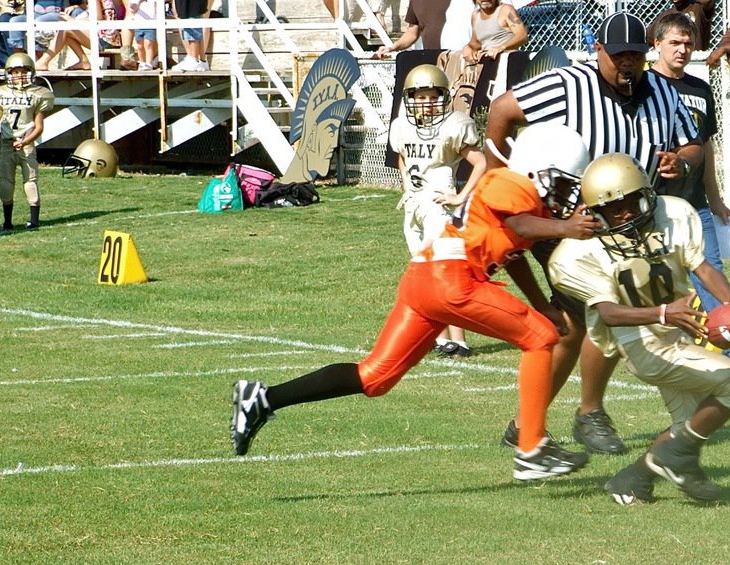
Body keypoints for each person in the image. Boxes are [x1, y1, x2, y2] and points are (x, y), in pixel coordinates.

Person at [229, 123, 602, 483]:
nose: (567, 191)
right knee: (539, 339)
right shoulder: (509, 181)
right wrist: (565, 229)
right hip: (450, 280)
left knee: (374, 377)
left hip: (425, 280)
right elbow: (520, 228)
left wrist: (542, 304)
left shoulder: (523, 199)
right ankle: (532, 447)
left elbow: (515, 253)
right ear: (539, 171)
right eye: (565, 180)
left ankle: (263, 399)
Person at [485, 11, 703, 455]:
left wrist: (681, 161)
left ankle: (530, 420)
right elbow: (502, 110)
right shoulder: (569, 85)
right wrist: (497, 180)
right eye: (619, 54)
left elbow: (692, 141)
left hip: (629, 222)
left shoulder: (660, 88)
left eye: (636, 55)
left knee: (574, 324)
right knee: (600, 308)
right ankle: (588, 412)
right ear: (598, 51)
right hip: (568, 223)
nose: (628, 64)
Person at [549, 153, 730, 504]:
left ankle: (633, 479)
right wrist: (663, 314)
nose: (626, 213)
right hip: (641, 342)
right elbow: (610, 313)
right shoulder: (576, 253)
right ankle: (678, 460)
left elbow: (703, 268)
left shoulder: (672, 214)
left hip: (675, 328)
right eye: (614, 208)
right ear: (594, 213)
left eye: (632, 202)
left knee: (688, 425)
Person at [648, 11, 730, 376]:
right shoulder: (644, 88)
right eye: (674, 42)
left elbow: (704, 146)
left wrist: (715, 197)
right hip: (654, 206)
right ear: (656, 44)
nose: (682, 50)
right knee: (656, 283)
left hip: (695, 205)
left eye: (688, 43)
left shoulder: (700, 89)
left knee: (710, 271)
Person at [389, 64, 488, 356]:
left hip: (438, 203)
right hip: (414, 205)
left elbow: (480, 163)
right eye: (418, 97)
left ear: (442, 97)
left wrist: (459, 197)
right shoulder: (403, 126)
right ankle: (442, 338)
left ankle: (459, 338)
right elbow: (403, 158)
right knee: (424, 273)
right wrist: (406, 185)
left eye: (431, 96)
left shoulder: (453, 125)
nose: (425, 103)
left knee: (442, 272)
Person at [0, 52, 53, 232]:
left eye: (23, 71)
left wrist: (25, 142)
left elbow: (39, 127)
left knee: (30, 181)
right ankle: (7, 221)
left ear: (31, 72)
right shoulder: (0, 93)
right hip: (8, 144)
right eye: (15, 72)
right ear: (9, 73)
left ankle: (34, 220)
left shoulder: (38, 94)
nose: (19, 76)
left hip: (27, 143)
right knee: (6, 183)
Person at [34, 0, 119, 71]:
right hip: (102, 34)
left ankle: (44, 62)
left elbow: (97, 19)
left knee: (66, 27)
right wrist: (77, 6)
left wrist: (73, 21)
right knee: (66, 32)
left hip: (107, 38)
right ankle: (83, 61)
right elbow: (92, 8)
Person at [461, 0, 526, 64]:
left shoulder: (507, 10)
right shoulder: (475, 15)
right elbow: (476, 43)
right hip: (487, 64)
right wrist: (468, 47)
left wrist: (501, 48)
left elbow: (522, 36)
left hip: (508, 62)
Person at [650, 0, 715, 51]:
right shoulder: (666, 14)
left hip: (697, 60)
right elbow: (650, 37)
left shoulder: (698, 8)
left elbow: (707, 0)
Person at [128, 0, 162, 70]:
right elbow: (133, 9)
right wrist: (139, 0)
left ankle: (149, 63)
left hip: (150, 25)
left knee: (148, 44)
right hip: (139, 25)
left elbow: (161, 1)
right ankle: (142, 62)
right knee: (139, 45)